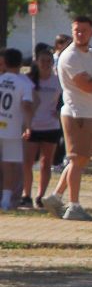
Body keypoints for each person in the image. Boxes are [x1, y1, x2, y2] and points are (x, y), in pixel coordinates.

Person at [56, 16, 92, 221]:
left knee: (82, 159)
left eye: (84, 30)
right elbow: (86, 85)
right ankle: (73, 205)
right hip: (75, 113)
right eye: (76, 30)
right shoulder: (70, 56)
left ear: (91, 32)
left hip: (90, 112)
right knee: (77, 159)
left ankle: (56, 195)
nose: (80, 34)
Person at [26, 47, 63, 207]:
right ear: (36, 62)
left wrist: (59, 111)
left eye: (49, 61)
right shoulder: (29, 80)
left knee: (45, 163)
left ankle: (40, 196)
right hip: (32, 126)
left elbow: (66, 99)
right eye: (43, 61)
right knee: (27, 162)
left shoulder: (57, 80)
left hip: (51, 126)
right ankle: (26, 194)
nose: (46, 64)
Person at [0, 48, 36, 212]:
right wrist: (28, 126)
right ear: (21, 64)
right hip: (13, 129)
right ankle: (6, 200)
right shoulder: (24, 83)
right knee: (10, 165)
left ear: (4, 63)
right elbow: (27, 106)